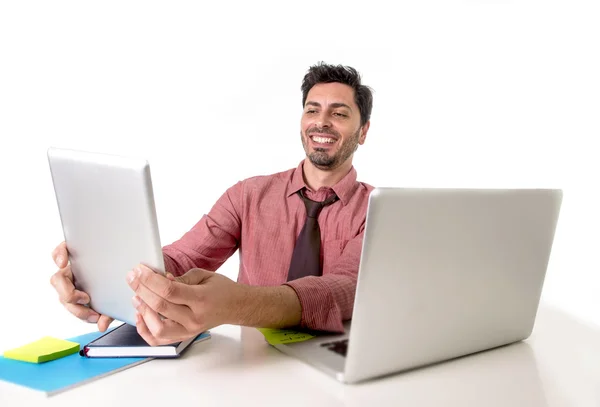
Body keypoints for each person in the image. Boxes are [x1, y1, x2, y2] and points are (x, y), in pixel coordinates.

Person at [50, 62, 375, 346]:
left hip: (339, 363)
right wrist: (103, 277)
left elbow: (345, 289)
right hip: (250, 360)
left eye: (339, 113)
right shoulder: (248, 195)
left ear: (362, 132)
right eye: (312, 109)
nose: (322, 122)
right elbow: (182, 258)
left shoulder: (377, 210)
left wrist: (238, 305)